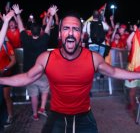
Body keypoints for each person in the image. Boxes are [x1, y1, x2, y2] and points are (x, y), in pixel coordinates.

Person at [1, 11, 140, 133]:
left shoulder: (93, 58)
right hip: (57, 118)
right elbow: (26, 77)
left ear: (81, 35)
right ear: (60, 34)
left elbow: (114, 72)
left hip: (85, 118)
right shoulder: (46, 58)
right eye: (66, 28)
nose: (71, 33)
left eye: (76, 29)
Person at [12, 4, 58, 121]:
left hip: (29, 72)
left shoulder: (26, 40)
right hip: (41, 71)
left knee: (33, 94)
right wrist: (51, 16)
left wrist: (17, 14)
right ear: (40, 31)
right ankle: (42, 108)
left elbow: (21, 27)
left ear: (30, 32)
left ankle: (35, 114)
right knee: (45, 88)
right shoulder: (44, 40)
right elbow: (48, 28)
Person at [0, 10, 15, 131]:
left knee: (6, 97)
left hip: (5, 75)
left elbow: (13, 60)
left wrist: (4, 69)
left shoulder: (6, 44)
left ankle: (10, 116)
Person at [125, 25, 140, 116]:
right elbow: (127, 41)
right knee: (132, 90)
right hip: (132, 70)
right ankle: (132, 104)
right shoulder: (133, 47)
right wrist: (134, 32)